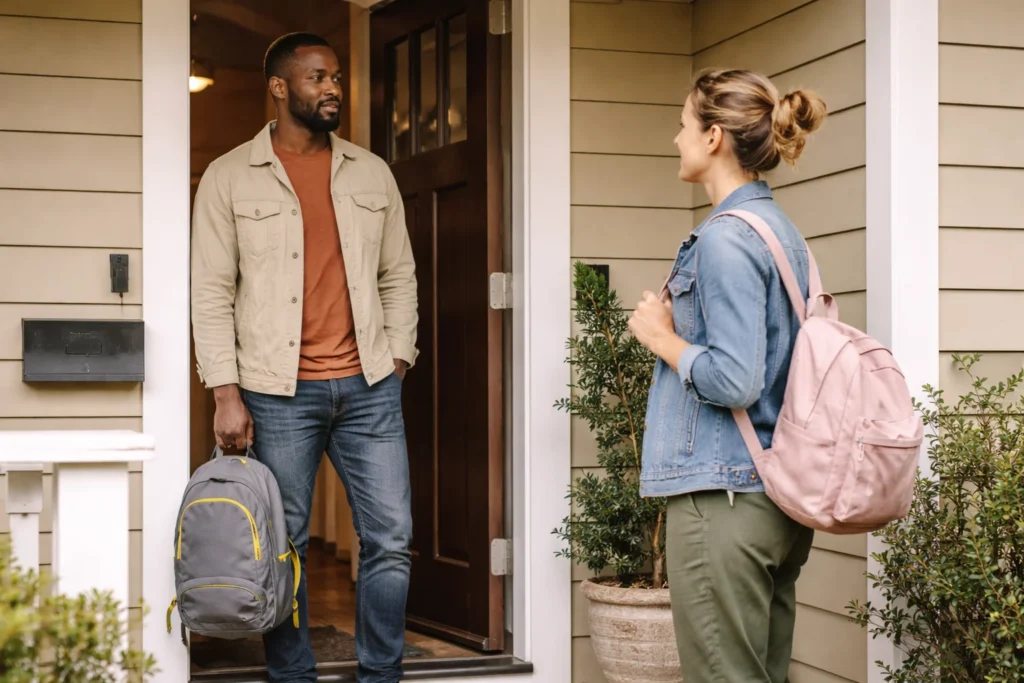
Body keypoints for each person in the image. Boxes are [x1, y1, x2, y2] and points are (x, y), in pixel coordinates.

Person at [190, 31, 418, 683]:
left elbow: (398, 275)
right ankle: (292, 673)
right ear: (280, 87)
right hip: (274, 390)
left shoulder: (370, 172)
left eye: (336, 77)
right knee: (283, 545)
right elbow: (210, 291)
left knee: (391, 540)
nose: (333, 88)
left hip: (369, 387)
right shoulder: (231, 177)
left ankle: (382, 672)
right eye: (318, 78)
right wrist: (224, 390)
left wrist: (397, 355)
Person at [627, 68, 827, 683]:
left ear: (714, 136)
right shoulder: (780, 232)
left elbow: (737, 379)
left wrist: (661, 337)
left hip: (727, 499)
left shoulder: (725, 240)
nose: (676, 138)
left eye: (684, 125)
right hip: (773, 496)